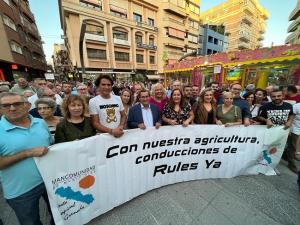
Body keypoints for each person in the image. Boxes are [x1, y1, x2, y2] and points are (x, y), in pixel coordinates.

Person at [0, 92, 54, 225]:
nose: (12, 108)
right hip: (21, 191)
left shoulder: (41, 123)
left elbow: (50, 144)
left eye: (17, 104)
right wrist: (27, 153)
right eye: (6, 105)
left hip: (49, 181)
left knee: (58, 215)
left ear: (28, 105)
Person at [257, 89, 295, 172]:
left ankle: (272, 165)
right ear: (270, 97)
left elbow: (291, 114)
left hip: (282, 132)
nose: (276, 98)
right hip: (269, 132)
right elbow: (259, 117)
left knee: (278, 149)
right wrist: (266, 120)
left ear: (283, 96)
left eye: (278, 96)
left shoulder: (289, 105)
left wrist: (289, 121)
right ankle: (261, 164)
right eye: (273, 96)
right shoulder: (265, 106)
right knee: (266, 148)